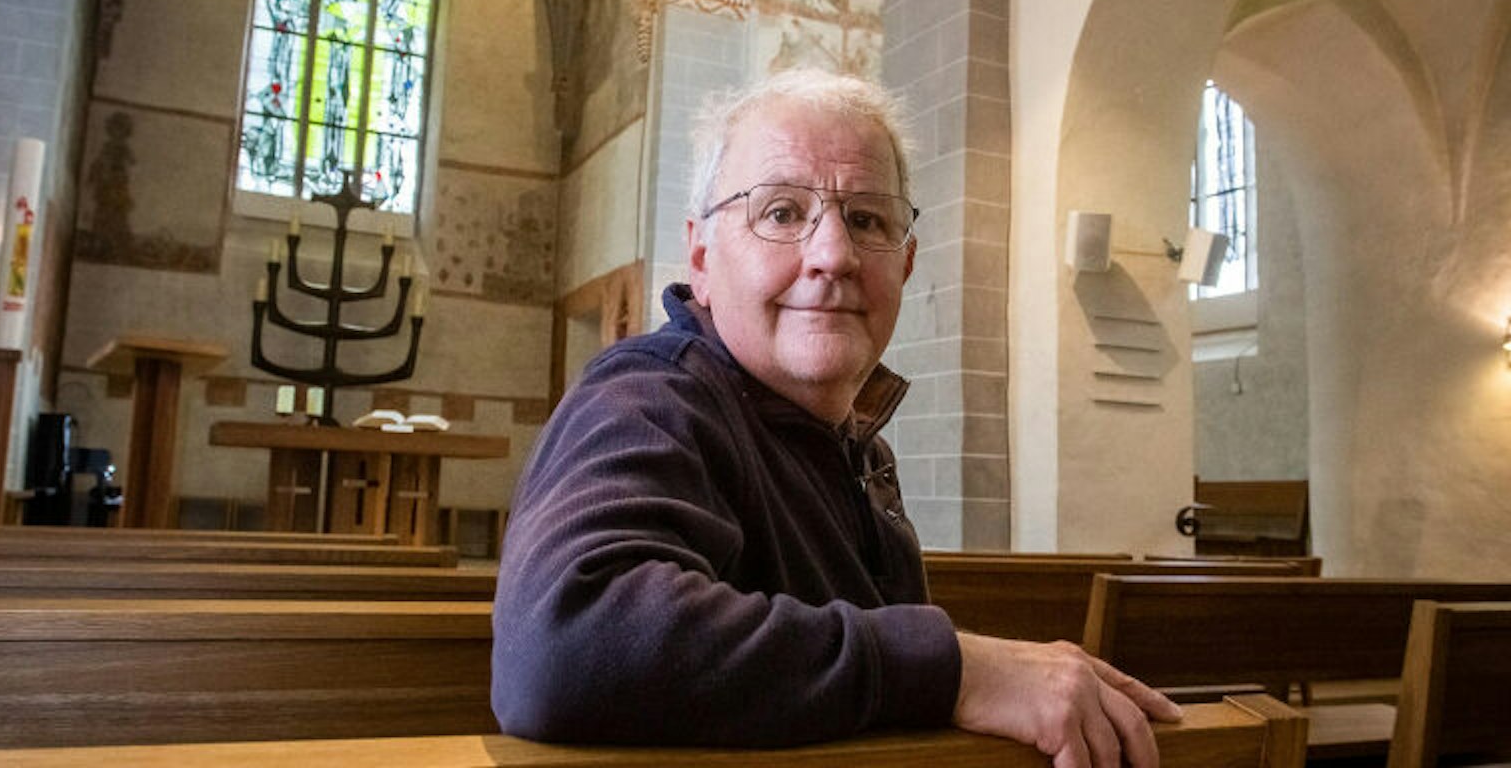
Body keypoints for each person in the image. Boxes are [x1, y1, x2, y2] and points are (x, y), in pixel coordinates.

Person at [491, 69, 1179, 767]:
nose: (834, 255)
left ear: (905, 263)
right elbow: (565, 640)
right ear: (701, 257)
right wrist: (955, 669)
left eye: (868, 219)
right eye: (782, 213)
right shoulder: (652, 399)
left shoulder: (855, 445)